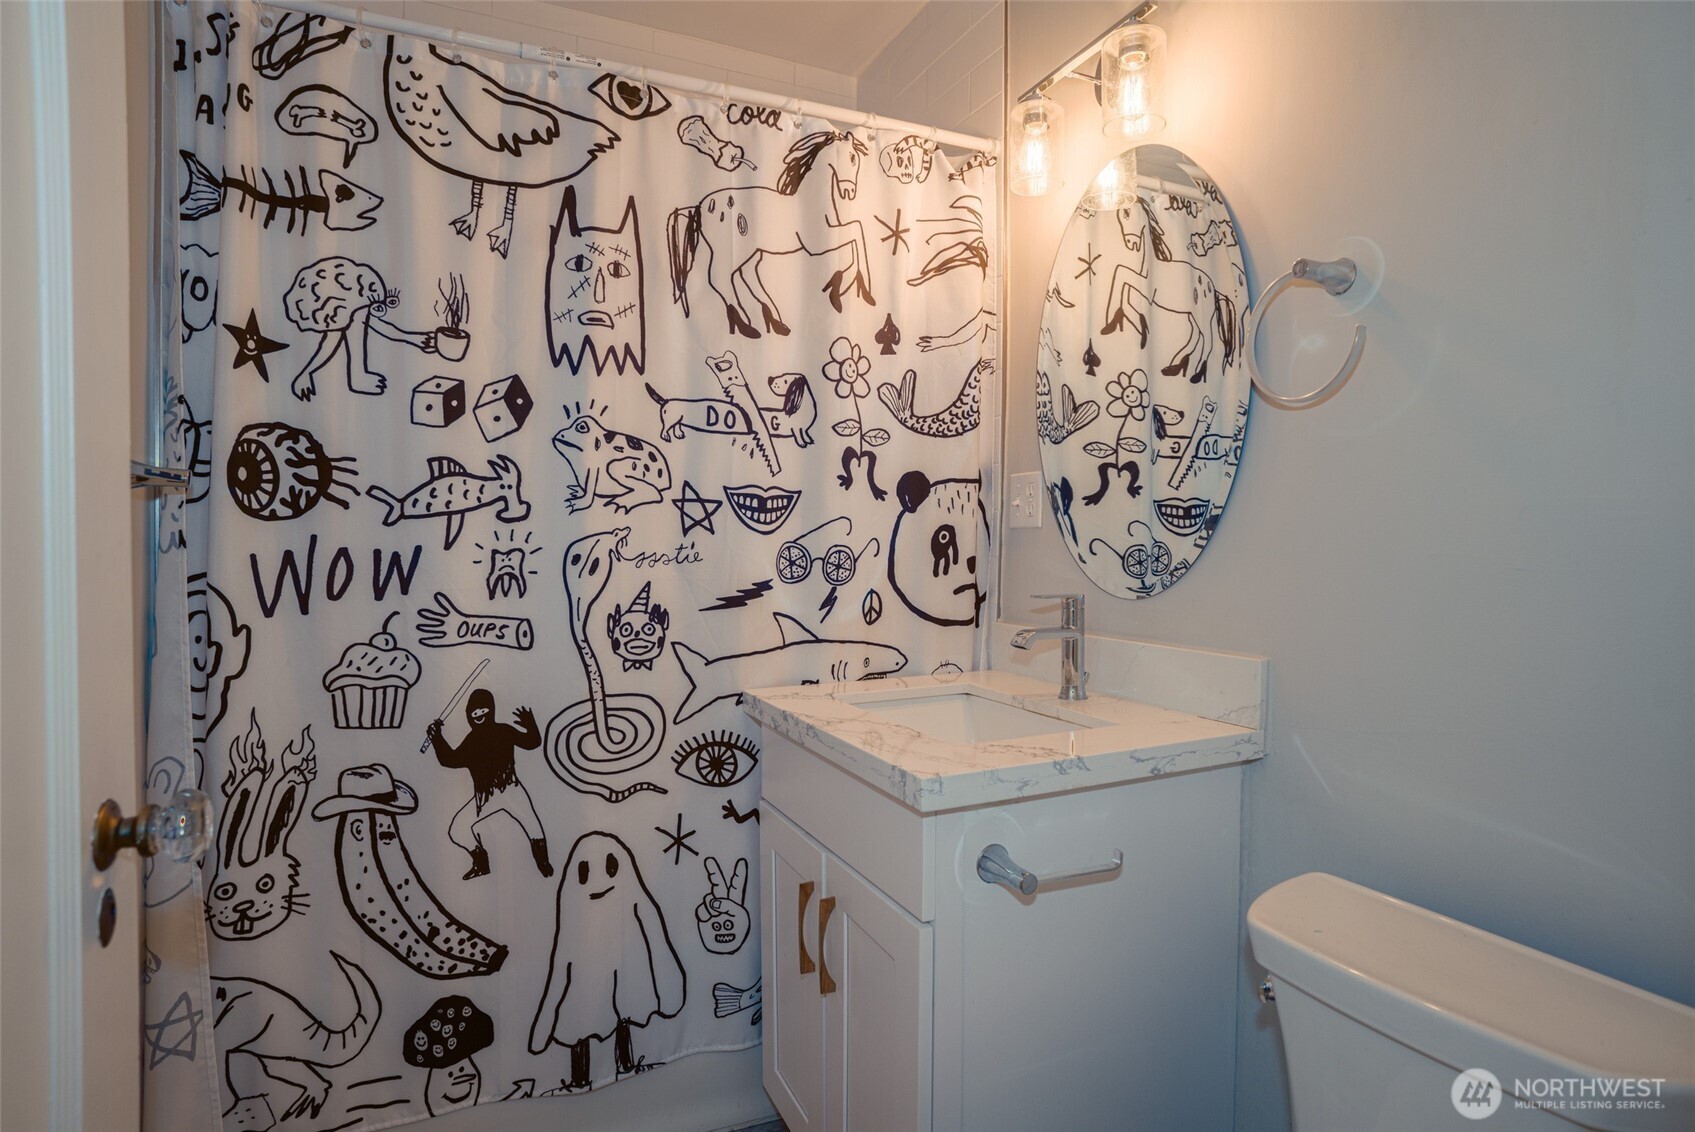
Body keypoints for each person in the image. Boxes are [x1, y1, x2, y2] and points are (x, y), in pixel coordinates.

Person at [425, 688, 552, 879]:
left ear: (491, 710)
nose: (479, 715)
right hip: (485, 797)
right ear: (469, 715)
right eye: (475, 713)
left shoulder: (503, 730)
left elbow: (532, 742)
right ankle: (481, 864)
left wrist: (530, 723)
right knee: (458, 829)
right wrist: (437, 738)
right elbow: (449, 760)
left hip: (510, 788)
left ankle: (543, 862)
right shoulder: (472, 740)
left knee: (532, 824)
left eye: (483, 711)